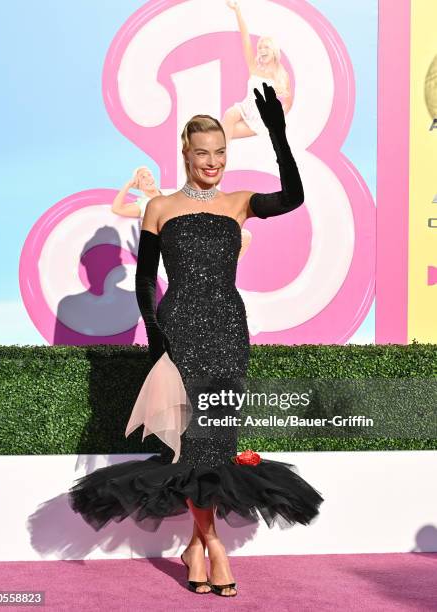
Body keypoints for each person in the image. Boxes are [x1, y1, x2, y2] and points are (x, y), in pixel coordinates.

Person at [68, 82, 324, 597]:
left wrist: (277, 131)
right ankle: (215, 548)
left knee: (218, 441)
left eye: (220, 153)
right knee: (190, 447)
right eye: (202, 152)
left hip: (229, 332)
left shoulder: (238, 203)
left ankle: (194, 544)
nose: (212, 162)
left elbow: (294, 197)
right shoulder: (158, 207)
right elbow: (144, 282)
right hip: (179, 331)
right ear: (185, 153)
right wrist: (157, 338)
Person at [222, 0, 293, 143]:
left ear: (274, 51)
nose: (261, 50)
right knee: (229, 114)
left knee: (221, 133)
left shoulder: (281, 75)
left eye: (266, 47)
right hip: (244, 108)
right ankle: (219, 161)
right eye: (260, 47)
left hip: (260, 119)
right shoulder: (254, 67)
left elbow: (288, 103)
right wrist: (237, 11)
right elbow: (245, 38)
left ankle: (218, 161)